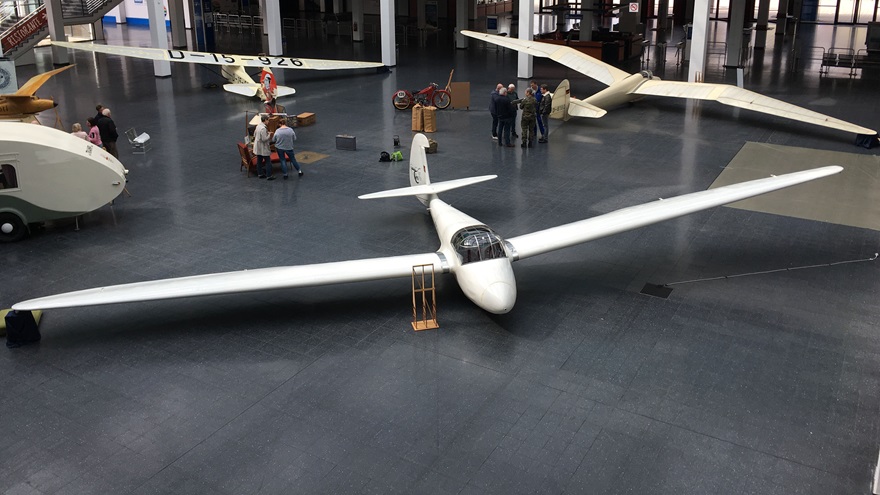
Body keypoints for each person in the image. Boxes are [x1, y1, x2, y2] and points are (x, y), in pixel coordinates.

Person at [253, 114, 274, 180]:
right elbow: (264, 139)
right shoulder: (263, 128)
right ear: (265, 120)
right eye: (268, 120)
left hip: (258, 147)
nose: (268, 122)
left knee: (259, 160)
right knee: (268, 161)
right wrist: (269, 134)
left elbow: (254, 134)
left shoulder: (258, 126)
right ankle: (269, 175)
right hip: (263, 148)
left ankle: (260, 174)